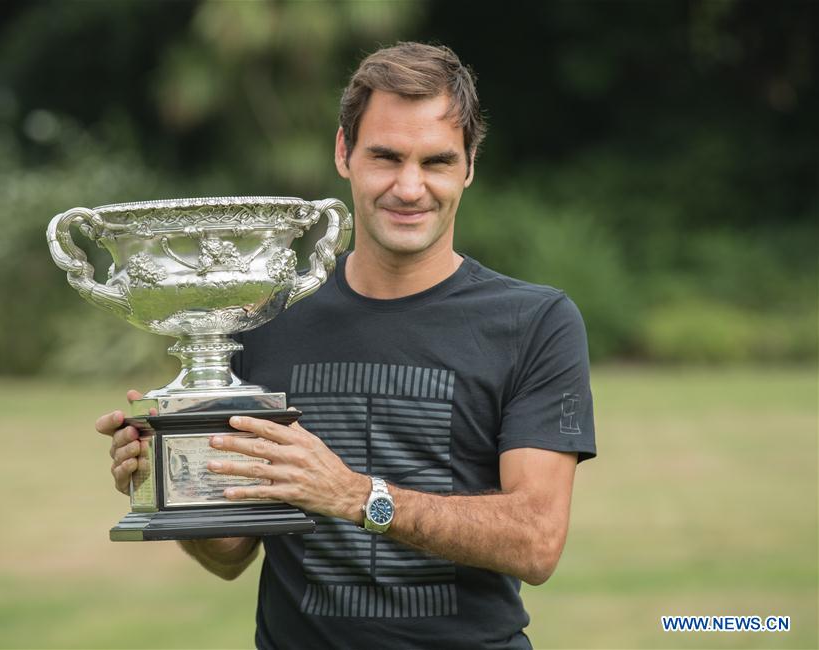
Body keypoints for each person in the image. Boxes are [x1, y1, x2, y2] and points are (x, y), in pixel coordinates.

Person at [96, 42, 596, 649]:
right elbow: (229, 555)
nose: (410, 188)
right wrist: (174, 477)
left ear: (468, 166)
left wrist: (356, 496)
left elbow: (536, 541)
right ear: (344, 153)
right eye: (385, 156)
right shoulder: (264, 316)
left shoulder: (533, 321)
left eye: (436, 161)